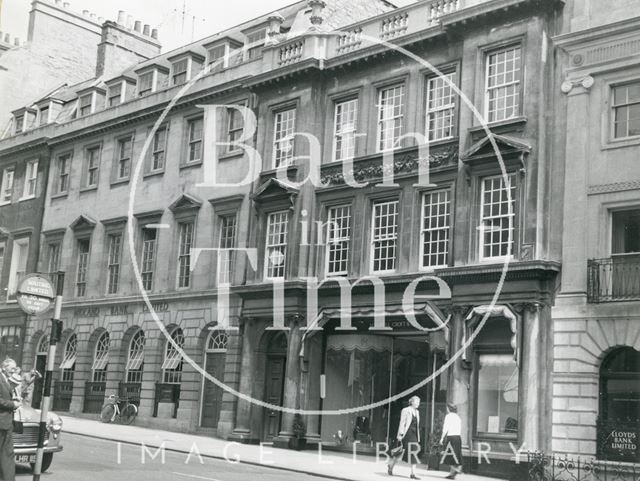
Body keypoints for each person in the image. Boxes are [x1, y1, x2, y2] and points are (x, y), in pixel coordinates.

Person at [388, 396, 421, 479]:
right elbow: (402, 423)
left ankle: (413, 473)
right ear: (412, 402)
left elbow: (417, 425)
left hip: (414, 435)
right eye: (416, 402)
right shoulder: (405, 410)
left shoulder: (417, 412)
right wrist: (400, 435)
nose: (418, 404)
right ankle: (391, 466)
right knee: (400, 452)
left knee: (414, 451)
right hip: (406, 434)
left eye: (419, 402)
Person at [0, 359, 21, 481]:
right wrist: (13, 404)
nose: (13, 371)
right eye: (11, 369)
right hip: (1, 423)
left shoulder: (8, 381)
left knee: (7, 454)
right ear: (4, 367)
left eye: (14, 369)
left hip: (7, 423)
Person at [440, 402, 463, 479]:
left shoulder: (448, 416)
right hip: (458, 438)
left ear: (448, 408)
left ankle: (456, 470)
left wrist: (442, 438)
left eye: (447, 408)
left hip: (451, 438)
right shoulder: (457, 417)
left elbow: (445, 428)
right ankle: (451, 475)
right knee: (456, 455)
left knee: (448, 456)